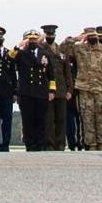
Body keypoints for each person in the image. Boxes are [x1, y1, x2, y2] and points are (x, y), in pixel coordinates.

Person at [71, 26, 102, 152]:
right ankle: (91, 144)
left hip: (101, 90)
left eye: (94, 35)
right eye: (89, 36)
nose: (92, 38)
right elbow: (64, 47)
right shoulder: (79, 49)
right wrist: (78, 38)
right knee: (87, 118)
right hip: (85, 89)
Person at [13, 30, 52, 150]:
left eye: (35, 39)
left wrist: (52, 91)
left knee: (41, 120)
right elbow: (9, 58)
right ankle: (30, 144)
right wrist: (18, 46)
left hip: (41, 91)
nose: (33, 42)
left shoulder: (44, 53)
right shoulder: (21, 54)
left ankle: (40, 144)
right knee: (28, 120)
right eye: (30, 39)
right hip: (26, 92)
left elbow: (51, 74)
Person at [40, 23, 69, 151]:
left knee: (61, 118)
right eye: (48, 35)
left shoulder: (61, 51)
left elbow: (67, 72)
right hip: (47, 89)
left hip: (61, 89)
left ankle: (60, 144)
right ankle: (50, 144)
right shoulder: (41, 50)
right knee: (49, 119)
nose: (50, 36)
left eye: (52, 34)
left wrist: (70, 89)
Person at [58, 27, 85, 150]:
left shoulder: (81, 57)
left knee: (81, 119)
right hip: (70, 92)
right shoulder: (65, 56)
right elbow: (64, 44)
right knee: (69, 120)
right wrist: (77, 38)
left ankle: (81, 142)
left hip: (81, 91)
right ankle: (71, 142)